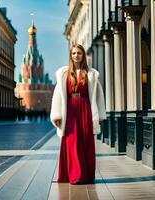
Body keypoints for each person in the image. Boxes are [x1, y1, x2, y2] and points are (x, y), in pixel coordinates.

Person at [50, 44, 106, 185]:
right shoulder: (63, 74)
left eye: (79, 53)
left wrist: (100, 115)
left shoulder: (91, 74)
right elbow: (58, 95)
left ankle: (85, 175)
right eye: (74, 53)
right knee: (72, 142)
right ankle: (76, 175)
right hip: (70, 111)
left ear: (83, 55)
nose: (76, 55)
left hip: (86, 109)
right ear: (70, 55)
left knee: (86, 142)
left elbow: (98, 96)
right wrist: (57, 115)